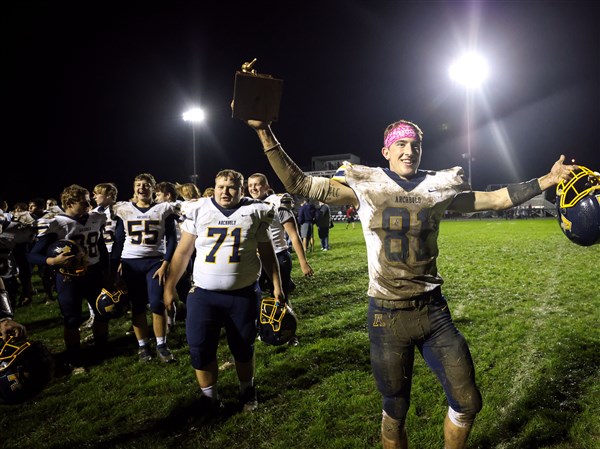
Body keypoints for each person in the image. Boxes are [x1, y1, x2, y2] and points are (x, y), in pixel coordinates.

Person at [240, 116, 576, 449]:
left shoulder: (438, 186)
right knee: (395, 411)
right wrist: (264, 131)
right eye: (401, 144)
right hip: (387, 316)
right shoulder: (365, 183)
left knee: (468, 402)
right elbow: (299, 184)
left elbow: (497, 199)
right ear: (386, 151)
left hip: (433, 311)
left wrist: (548, 179)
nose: (409, 151)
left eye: (415, 145)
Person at [163, 169, 283, 415]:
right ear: (213, 187)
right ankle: (209, 397)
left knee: (243, 346)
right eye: (220, 186)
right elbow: (183, 252)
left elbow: (269, 253)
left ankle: (247, 390)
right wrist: (169, 287)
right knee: (199, 346)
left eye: (231, 187)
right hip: (204, 294)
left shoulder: (256, 211)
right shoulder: (198, 209)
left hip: (243, 293)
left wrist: (277, 285)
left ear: (241, 189)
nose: (225, 192)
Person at [27, 185, 110, 371]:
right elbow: (32, 255)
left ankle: (103, 349)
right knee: (72, 319)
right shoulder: (57, 223)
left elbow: (101, 246)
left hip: (94, 272)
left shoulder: (95, 218)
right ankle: (75, 358)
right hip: (69, 278)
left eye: (89, 199)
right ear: (70, 203)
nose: (89, 204)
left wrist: (107, 271)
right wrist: (53, 260)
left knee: (102, 311)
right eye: (83, 201)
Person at [111, 173, 179, 363]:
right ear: (134, 188)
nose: (142, 188)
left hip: (155, 262)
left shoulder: (163, 208)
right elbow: (119, 239)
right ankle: (142, 345)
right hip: (130, 262)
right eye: (138, 185)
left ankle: (161, 344)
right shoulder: (123, 209)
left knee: (157, 304)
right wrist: (115, 265)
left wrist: (166, 263)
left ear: (153, 188)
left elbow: (172, 238)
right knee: (137, 305)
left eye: (146, 185)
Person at [247, 173, 314, 300]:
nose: (253, 188)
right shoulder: (248, 204)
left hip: (278, 255)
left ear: (266, 186)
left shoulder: (278, 203)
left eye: (257, 184)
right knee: (255, 297)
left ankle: (283, 318)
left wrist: (303, 262)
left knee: (279, 298)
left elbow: (294, 235)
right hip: (255, 258)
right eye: (250, 185)